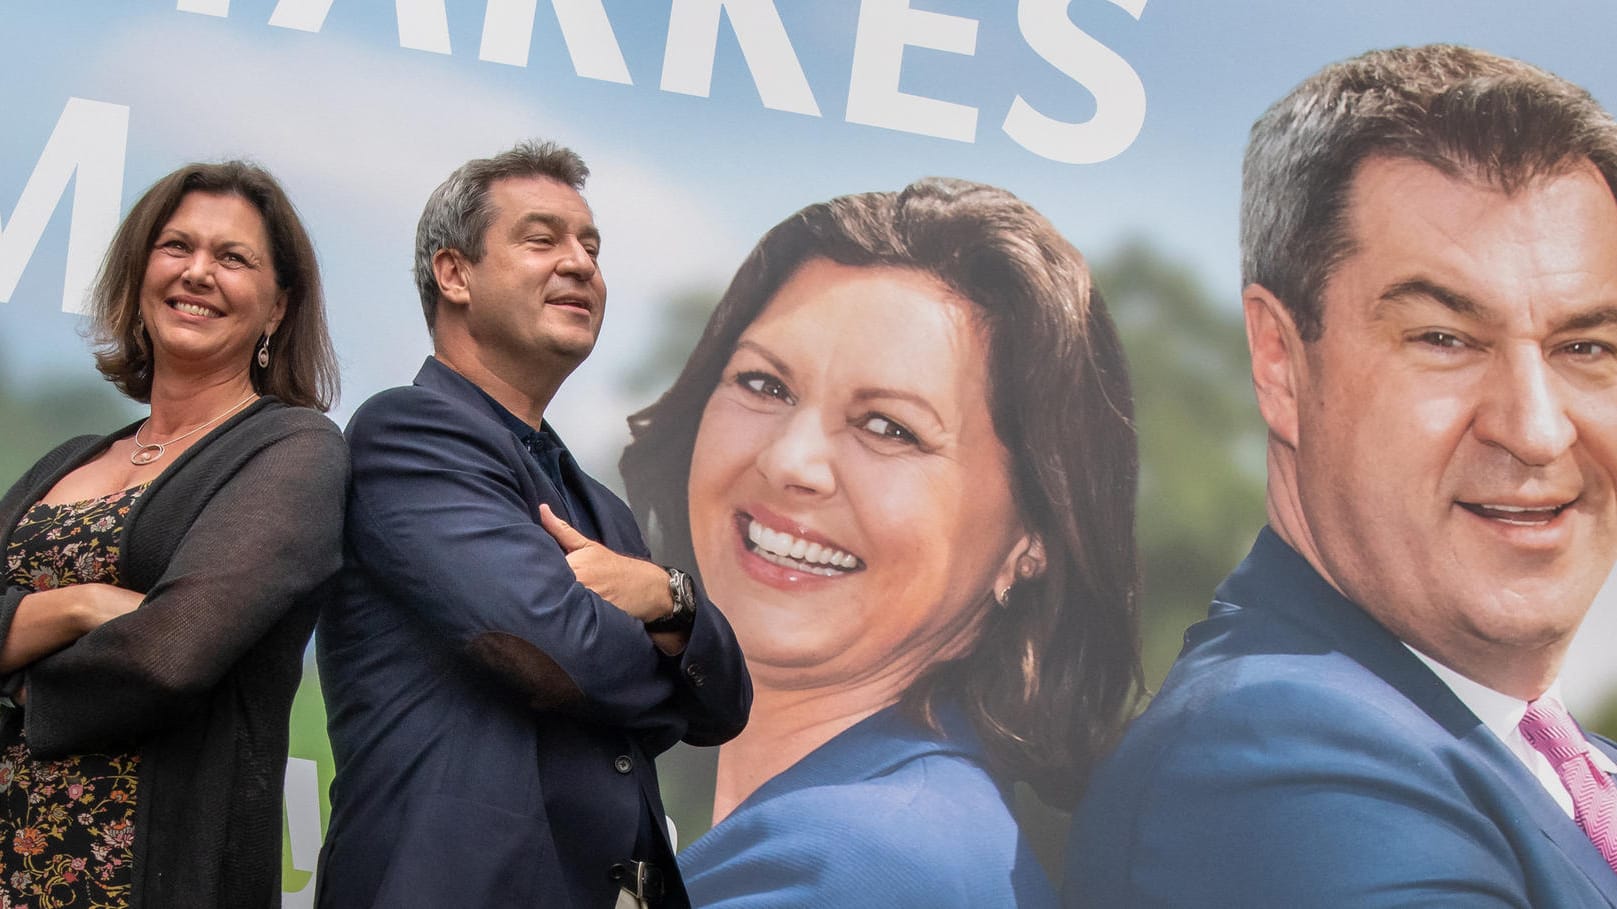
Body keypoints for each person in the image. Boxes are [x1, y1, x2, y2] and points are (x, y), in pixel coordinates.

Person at [1067, 44, 1617, 908]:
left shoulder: (1550, 766)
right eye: (1443, 338)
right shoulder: (1277, 771)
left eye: (1583, 346)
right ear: (1280, 363)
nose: (1536, 429)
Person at [620, 178, 1142, 907]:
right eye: (764, 383)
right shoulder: (885, 830)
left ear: (1033, 534)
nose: (788, 461)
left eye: (888, 427)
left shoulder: (851, 870)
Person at [315, 140, 750, 909]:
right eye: (542, 239)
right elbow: (552, 649)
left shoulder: (599, 503)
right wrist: (661, 668)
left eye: (591, 245)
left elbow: (722, 705)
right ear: (454, 274)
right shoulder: (409, 434)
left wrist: (667, 594)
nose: (580, 263)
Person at [0, 161, 344, 907]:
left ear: (277, 308)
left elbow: (173, 650)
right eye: (176, 246)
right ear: (140, 270)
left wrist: (18, 678)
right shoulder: (69, 458)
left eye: (232, 258)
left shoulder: (294, 450)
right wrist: (84, 604)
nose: (197, 272)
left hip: (148, 872)